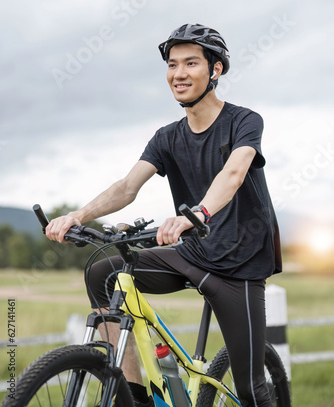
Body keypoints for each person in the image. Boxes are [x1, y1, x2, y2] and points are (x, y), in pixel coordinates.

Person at [46, 23, 282, 407]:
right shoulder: (166, 137)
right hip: (194, 254)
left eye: (191, 63)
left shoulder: (244, 121)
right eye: (173, 65)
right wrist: (79, 214)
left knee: (252, 390)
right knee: (103, 271)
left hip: (241, 263)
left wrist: (196, 214)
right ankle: (132, 392)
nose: (179, 74)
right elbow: (126, 187)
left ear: (215, 70)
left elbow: (234, 173)